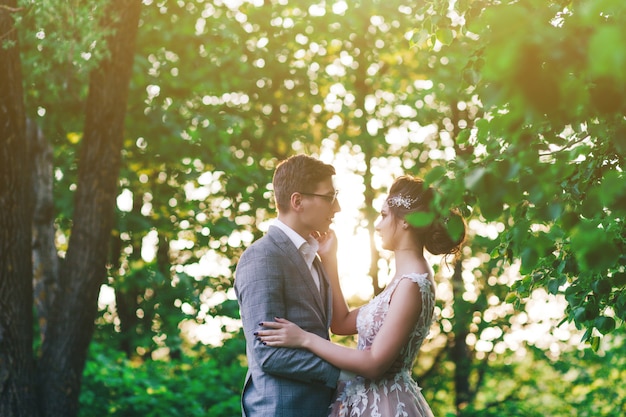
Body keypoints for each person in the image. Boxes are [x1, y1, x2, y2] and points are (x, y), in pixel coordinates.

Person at [255, 175, 466, 417]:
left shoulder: (412, 283)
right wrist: (330, 260)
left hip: (385, 406)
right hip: (366, 403)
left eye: (384, 215)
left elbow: (374, 364)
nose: (378, 225)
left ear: (406, 221)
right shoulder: (404, 278)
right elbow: (341, 323)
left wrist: (304, 339)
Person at [234, 154, 342, 417]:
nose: (337, 207)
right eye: (329, 196)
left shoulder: (315, 259)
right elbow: (268, 355)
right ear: (298, 201)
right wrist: (344, 372)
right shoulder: (262, 257)